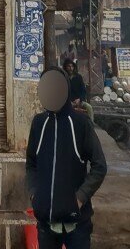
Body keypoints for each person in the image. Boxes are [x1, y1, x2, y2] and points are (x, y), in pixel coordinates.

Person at [26, 66, 107, 249]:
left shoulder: (80, 124)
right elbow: (31, 163)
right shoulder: (39, 124)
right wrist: (34, 193)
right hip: (46, 224)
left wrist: (80, 197)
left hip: (77, 226)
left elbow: (99, 166)